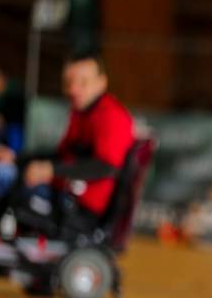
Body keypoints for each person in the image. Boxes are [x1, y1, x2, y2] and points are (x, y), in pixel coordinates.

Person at [10, 53, 133, 234]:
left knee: (17, 198)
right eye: (68, 83)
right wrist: (17, 159)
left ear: (102, 82)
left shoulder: (112, 116)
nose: (73, 89)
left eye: (83, 83)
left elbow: (106, 166)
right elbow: (61, 155)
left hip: (82, 210)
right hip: (64, 197)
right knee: (12, 179)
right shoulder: (81, 112)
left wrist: (50, 170)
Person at [0, 64, 25, 215]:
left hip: (6, 161)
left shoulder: (15, 105)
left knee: (4, 172)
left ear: (5, 80)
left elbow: (18, 147)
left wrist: (3, 129)